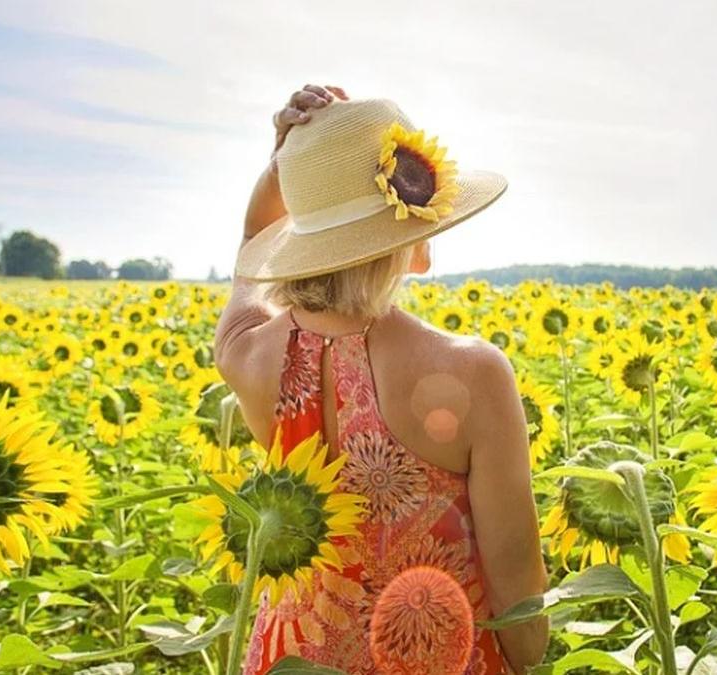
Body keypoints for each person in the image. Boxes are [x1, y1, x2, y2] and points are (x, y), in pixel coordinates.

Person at [213, 84, 548, 674]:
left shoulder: (247, 352)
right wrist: (529, 664)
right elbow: (516, 577)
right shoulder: (473, 372)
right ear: (409, 234)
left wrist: (282, 168)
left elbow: (248, 254)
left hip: (291, 658)